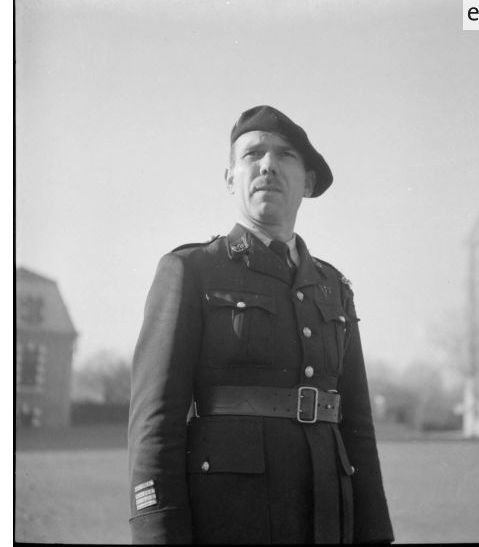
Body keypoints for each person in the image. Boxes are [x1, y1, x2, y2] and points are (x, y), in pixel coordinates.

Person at [128, 105, 394, 544]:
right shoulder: (191, 270)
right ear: (230, 178)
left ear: (307, 182)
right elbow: (155, 421)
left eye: (285, 155)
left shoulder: (334, 287)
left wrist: (374, 533)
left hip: (329, 519)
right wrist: (158, 533)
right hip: (231, 517)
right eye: (252, 154)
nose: (268, 164)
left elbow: (358, 425)